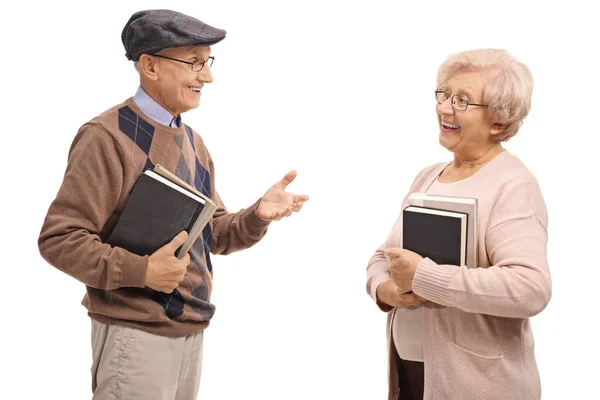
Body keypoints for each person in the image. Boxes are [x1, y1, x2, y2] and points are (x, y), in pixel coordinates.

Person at [38, 9, 308, 400]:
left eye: (207, 63)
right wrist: (143, 270)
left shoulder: (194, 142)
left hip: (190, 333)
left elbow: (212, 233)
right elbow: (59, 239)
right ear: (150, 65)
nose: (208, 76)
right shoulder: (105, 138)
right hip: (136, 337)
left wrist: (257, 215)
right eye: (194, 63)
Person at [365, 49, 551, 400]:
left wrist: (425, 278)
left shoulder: (513, 185)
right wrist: (386, 291)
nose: (445, 108)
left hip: (477, 384)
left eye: (463, 101)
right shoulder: (428, 177)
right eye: (444, 94)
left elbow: (530, 288)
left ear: (498, 120)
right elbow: (383, 257)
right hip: (414, 373)